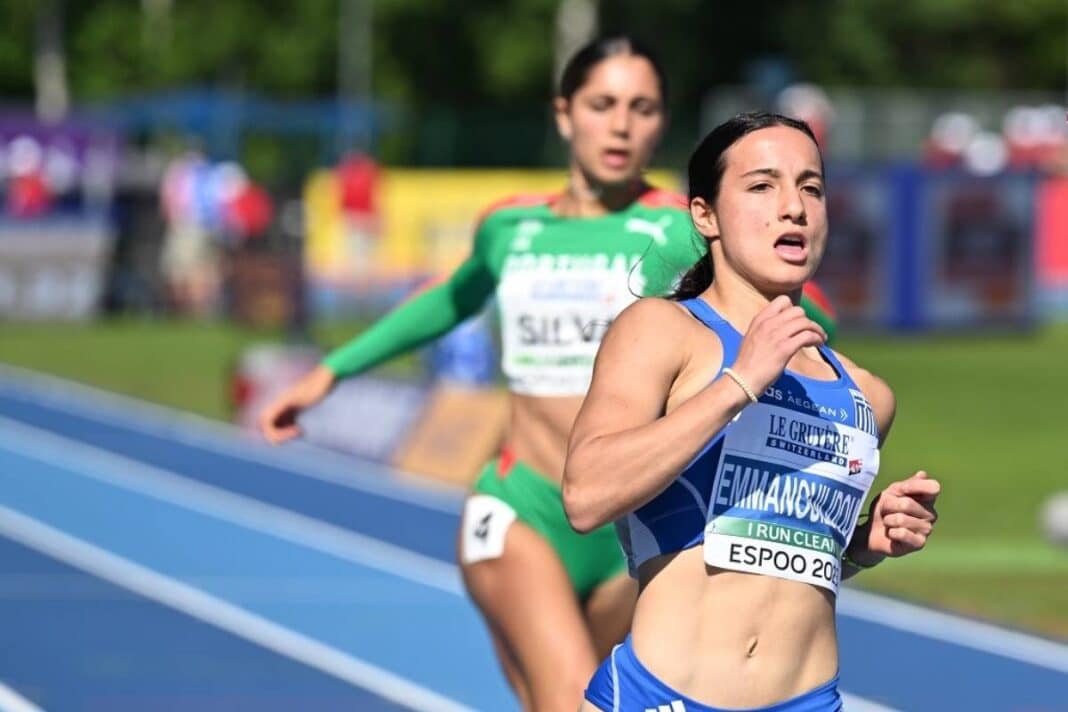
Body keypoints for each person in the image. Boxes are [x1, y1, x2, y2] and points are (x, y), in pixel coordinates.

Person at [259, 39, 835, 710]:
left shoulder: (682, 229)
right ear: (564, 114)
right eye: (603, 105)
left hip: (636, 521)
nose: (621, 126)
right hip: (525, 505)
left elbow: (800, 306)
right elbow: (450, 299)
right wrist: (332, 371)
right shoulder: (511, 227)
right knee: (567, 698)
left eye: (643, 108)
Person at [564, 112, 940, 712]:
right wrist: (740, 381)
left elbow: (782, 559)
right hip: (661, 697)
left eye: (811, 188)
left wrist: (863, 543)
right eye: (762, 186)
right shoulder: (663, 330)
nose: (793, 208)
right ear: (705, 214)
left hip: (805, 700)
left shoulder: (868, 394)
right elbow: (586, 496)